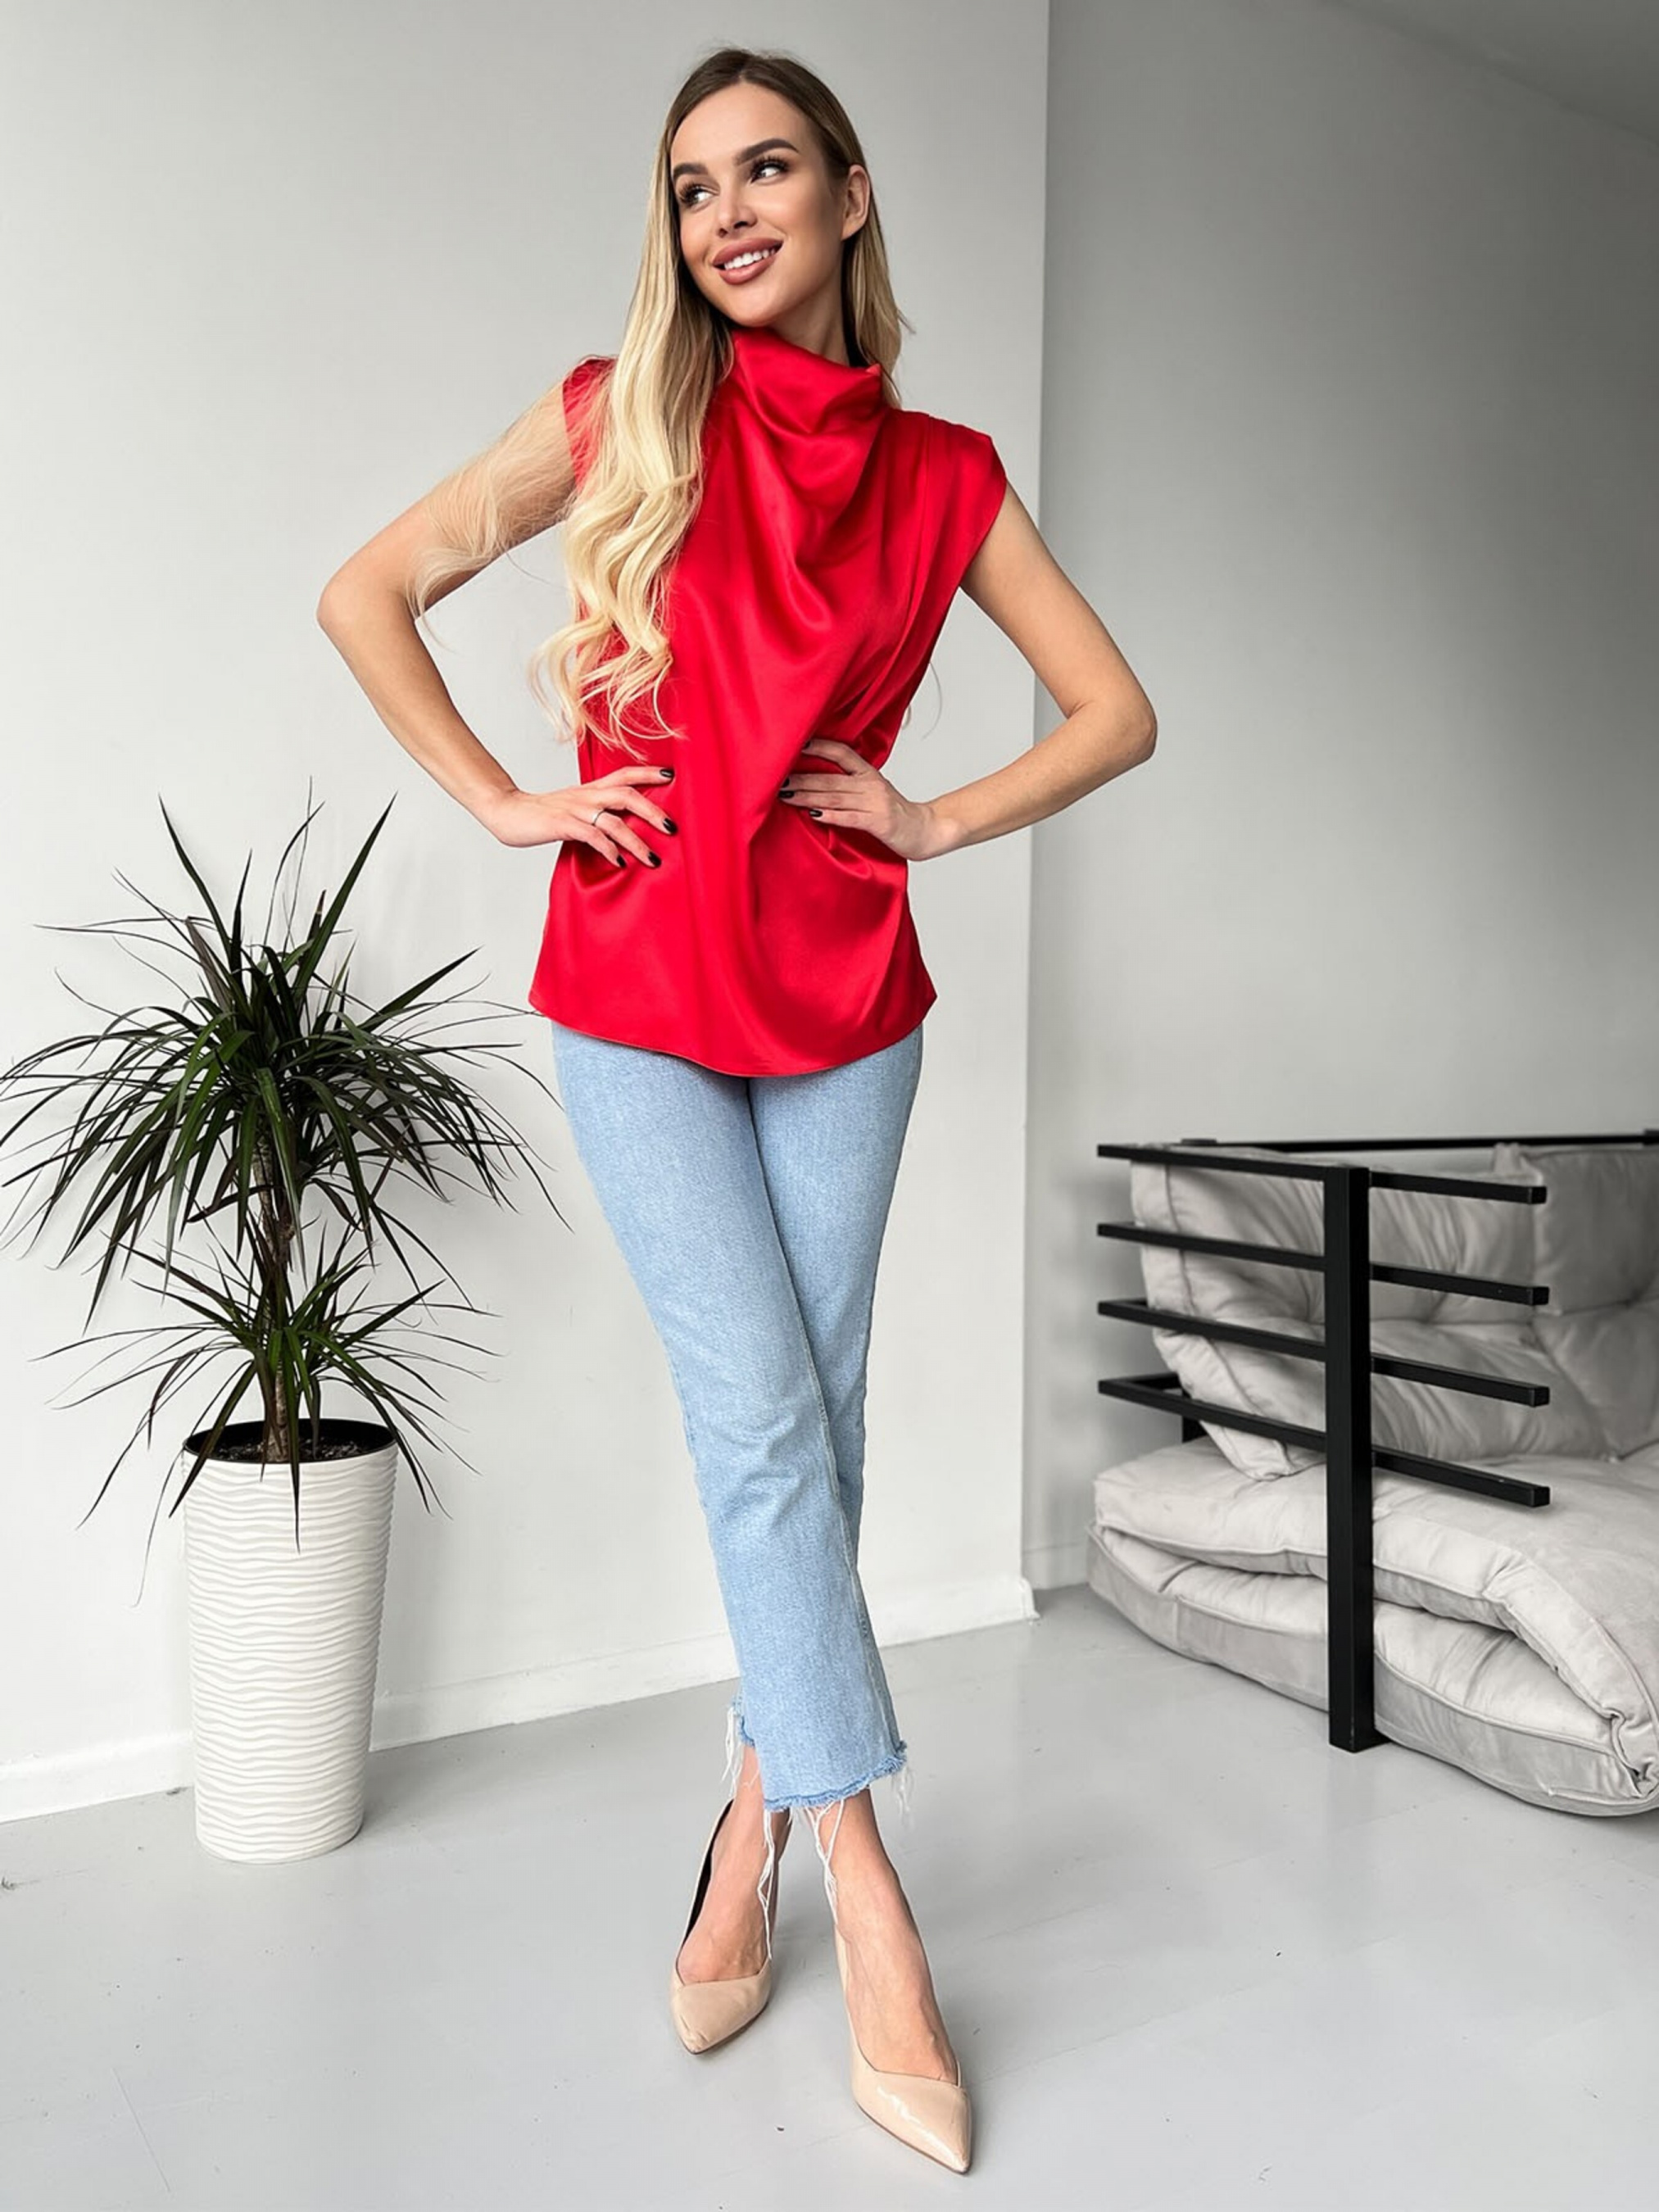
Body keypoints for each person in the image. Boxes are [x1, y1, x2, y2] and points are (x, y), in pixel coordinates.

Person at [317, 43, 1156, 2180]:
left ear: (850, 195)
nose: (726, 214)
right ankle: (866, 1890)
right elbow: (367, 592)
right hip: (635, 990)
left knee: (822, 1419)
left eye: (766, 169)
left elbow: (1115, 709)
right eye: (692, 188)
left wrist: (937, 817)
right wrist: (507, 800)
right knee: (767, 1419)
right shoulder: (621, 418)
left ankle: (748, 1823)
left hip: (847, 995)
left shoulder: (945, 474)